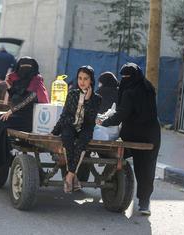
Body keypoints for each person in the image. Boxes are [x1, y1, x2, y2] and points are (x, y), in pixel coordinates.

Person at [97, 63, 161, 216]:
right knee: (147, 169)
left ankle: (112, 180)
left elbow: (121, 114)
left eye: (127, 77)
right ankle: (144, 203)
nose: (125, 80)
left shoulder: (128, 92)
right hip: (152, 134)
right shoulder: (148, 88)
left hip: (133, 135)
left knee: (111, 155)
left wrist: (103, 122)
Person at [0, 56, 49, 168]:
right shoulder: (19, 81)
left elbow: (31, 97)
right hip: (16, 116)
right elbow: (14, 97)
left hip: (28, 119)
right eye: (22, 67)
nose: (24, 70)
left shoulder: (36, 80)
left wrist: (12, 111)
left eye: (27, 67)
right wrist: (9, 86)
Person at [52, 66, 101, 193]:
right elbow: (64, 115)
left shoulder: (97, 99)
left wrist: (88, 100)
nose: (82, 81)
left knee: (82, 142)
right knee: (67, 137)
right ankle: (73, 177)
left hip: (86, 127)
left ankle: (69, 176)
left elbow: (90, 119)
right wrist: (54, 132)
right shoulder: (72, 94)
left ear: (91, 80)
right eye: (80, 78)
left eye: (85, 78)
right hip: (70, 125)